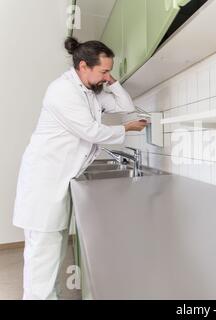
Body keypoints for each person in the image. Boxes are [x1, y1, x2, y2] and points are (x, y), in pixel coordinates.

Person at [12, 36, 147, 299]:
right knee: (42, 256)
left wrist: (113, 82)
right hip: (44, 182)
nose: (107, 77)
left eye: (109, 71)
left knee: (53, 253)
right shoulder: (62, 91)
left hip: (58, 181)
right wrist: (127, 128)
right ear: (83, 66)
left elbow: (124, 106)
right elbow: (91, 131)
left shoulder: (90, 93)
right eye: (104, 71)